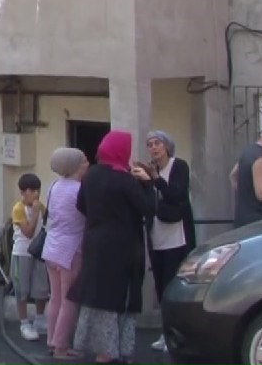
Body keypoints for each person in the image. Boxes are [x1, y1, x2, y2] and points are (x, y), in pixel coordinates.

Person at [70, 131, 156, 363]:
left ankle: (102, 352)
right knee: (121, 298)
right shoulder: (126, 180)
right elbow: (148, 209)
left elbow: (81, 205)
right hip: (124, 248)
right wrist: (148, 184)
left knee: (100, 297)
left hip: (96, 244)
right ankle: (116, 351)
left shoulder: (91, 176)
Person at [145, 130, 196, 353]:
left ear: (167, 146)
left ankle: (177, 335)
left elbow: (177, 194)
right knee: (160, 286)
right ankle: (165, 333)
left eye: (157, 143)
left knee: (173, 284)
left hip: (177, 235)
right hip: (157, 234)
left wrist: (156, 180)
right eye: (149, 144)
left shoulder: (179, 166)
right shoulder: (149, 170)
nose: (154, 148)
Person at [43, 148, 89, 360]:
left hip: (52, 246)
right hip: (71, 249)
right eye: (84, 161)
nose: (87, 164)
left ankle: (52, 340)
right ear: (75, 166)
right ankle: (61, 346)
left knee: (55, 298)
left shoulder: (54, 186)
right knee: (69, 300)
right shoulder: (80, 190)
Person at [11, 173, 50, 342]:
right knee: (22, 289)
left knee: (40, 288)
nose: (36, 194)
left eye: (37, 190)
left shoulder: (41, 206)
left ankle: (40, 318)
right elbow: (28, 232)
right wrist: (33, 214)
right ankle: (24, 322)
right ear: (24, 192)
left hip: (38, 253)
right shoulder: (19, 209)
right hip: (22, 253)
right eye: (32, 191)